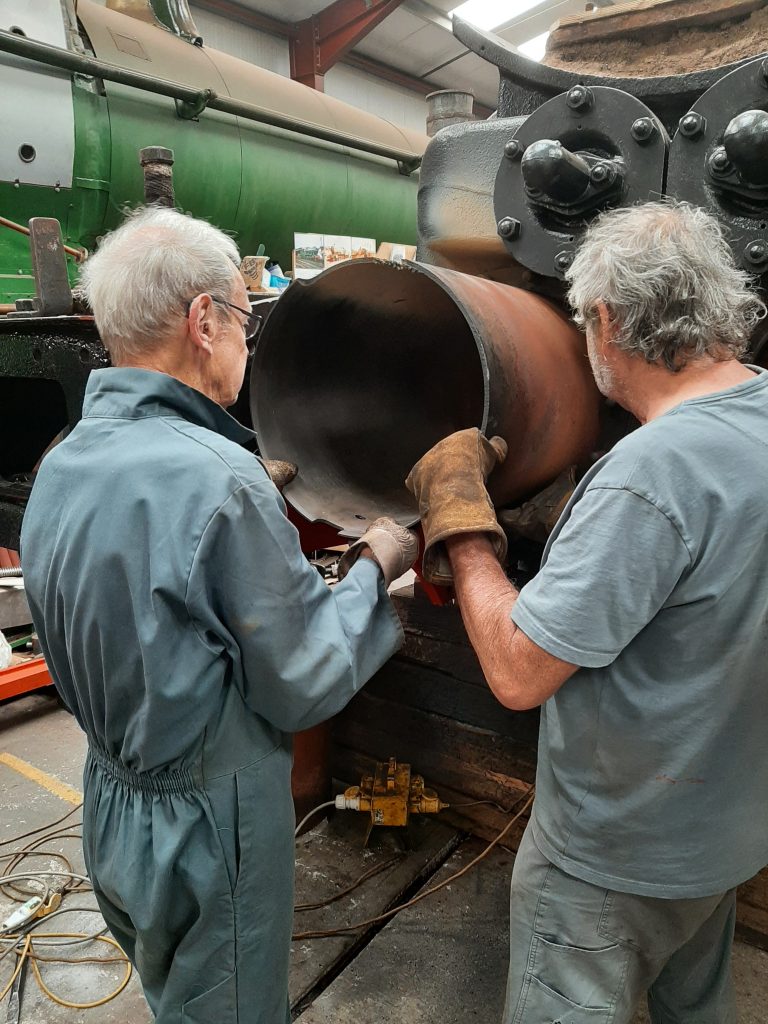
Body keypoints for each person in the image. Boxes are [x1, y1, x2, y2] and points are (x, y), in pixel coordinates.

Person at [20, 206, 417, 1024]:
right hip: (208, 832)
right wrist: (377, 566)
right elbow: (304, 681)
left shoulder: (64, 459)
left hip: (112, 804)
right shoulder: (221, 482)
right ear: (204, 321)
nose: (246, 339)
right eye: (243, 315)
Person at [406, 201, 768, 1024]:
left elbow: (517, 671)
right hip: (726, 835)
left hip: (614, 862)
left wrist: (463, 529)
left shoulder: (654, 473)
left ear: (606, 321)